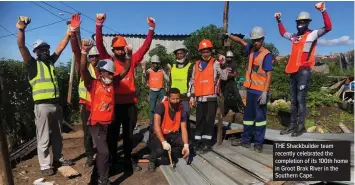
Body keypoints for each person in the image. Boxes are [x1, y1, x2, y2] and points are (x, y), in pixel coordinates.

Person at [16, 15, 75, 175]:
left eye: (46, 48)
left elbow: (61, 47)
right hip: (42, 106)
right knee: (43, 137)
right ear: (36, 51)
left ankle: (58, 158)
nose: (45, 51)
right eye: (41, 49)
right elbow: (21, 46)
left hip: (56, 105)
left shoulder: (50, 62)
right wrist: (21, 28)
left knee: (57, 135)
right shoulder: (32, 64)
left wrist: (69, 31)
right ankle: (44, 165)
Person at [95, 13, 155, 172]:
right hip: (114, 104)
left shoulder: (132, 59)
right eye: (117, 49)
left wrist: (151, 29)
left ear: (125, 48)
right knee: (112, 135)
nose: (120, 51)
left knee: (129, 135)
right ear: (113, 50)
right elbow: (100, 45)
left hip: (130, 104)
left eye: (122, 48)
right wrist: (99, 25)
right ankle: (113, 161)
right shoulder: (109, 60)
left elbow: (145, 47)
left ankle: (128, 159)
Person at [80, 39, 132, 185]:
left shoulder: (114, 84)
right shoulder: (93, 84)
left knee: (104, 153)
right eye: (108, 73)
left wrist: (128, 55)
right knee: (103, 152)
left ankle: (98, 175)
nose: (110, 75)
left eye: (111, 73)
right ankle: (103, 180)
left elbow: (126, 69)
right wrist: (84, 51)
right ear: (101, 73)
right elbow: (83, 70)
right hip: (96, 125)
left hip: (108, 124)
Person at [276, 2, 332, 137]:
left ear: (307, 23)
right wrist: (279, 21)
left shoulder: (312, 34)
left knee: (301, 99)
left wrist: (323, 11)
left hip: (304, 71)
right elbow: (283, 33)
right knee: (293, 100)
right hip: (293, 71)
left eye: (303, 22)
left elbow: (328, 27)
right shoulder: (295, 37)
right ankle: (293, 125)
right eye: (299, 22)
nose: (300, 24)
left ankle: (301, 126)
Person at [224, 26, 273, 153]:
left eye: (257, 40)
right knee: (248, 117)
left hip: (260, 92)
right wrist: (228, 35)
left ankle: (258, 143)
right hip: (250, 91)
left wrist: (265, 92)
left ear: (262, 39)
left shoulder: (266, 55)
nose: (255, 42)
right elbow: (240, 41)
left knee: (260, 119)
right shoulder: (251, 49)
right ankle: (246, 140)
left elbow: (268, 75)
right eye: (253, 40)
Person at [189, 39, 228, 154]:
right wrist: (192, 96)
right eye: (203, 52)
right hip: (199, 98)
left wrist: (223, 64)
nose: (206, 54)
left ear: (211, 51)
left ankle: (207, 143)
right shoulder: (196, 64)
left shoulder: (216, 63)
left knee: (209, 121)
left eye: (208, 51)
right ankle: (197, 142)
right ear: (200, 52)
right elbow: (193, 81)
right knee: (199, 121)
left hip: (211, 97)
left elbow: (225, 77)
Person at [69, 14, 98, 167]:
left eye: (95, 57)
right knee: (87, 133)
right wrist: (73, 32)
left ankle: (101, 154)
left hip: (99, 107)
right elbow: (75, 50)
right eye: (91, 56)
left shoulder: (102, 70)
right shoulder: (84, 69)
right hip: (86, 106)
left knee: (100, 133)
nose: (93, 59)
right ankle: (89, 156)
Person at [147, 88, 190, 172]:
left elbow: (184, 129)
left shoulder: (182, 110)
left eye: (177, 98)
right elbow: (156, 126)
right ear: (168, 98)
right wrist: (163, 142)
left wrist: (186, 145)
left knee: (187, 144)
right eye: (173, 99)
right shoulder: (161, 106)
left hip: (173, 134)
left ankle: (168, 153)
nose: (175, 101)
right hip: (158, 134)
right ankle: (152, 160)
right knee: (160, 150)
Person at [166, 45, 194, 144]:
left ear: (185, 54)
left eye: (181, 53)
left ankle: (187, 140)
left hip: (185, 97)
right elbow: (169, 82)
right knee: (173, 118)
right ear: (175, 56)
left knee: (185, 118)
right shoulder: (172, 67)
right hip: (173, 98)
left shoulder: (190, 66)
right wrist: (167, 96)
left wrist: (192, 96)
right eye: (177, 54)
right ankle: (176, 139)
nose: (179, 55)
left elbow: (192, 82)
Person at [142, 55, 170, 122]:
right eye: (153, 63)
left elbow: (168, 80)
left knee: (163, 106)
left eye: (156, 63)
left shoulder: (161, 71)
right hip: (152, 91)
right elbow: (143, 81)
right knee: (152, 108)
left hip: (161, 91)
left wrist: (169, 71)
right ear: (151, 63)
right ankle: (152, 122)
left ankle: (163, 121)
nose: (155, 64)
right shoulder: (148, 71)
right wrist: (143, 70)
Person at [219, 50, 245, 115]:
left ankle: (243, 108)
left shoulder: (233, 64)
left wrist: (228, 75)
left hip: (231, 82)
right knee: (225, 98)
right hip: (224, 83)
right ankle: (225, 111)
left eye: (230, 57)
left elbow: (235, 74)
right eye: (228, 57)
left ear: (232, 57)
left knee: (237, 95)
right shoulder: (223, 63)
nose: (229, 58)